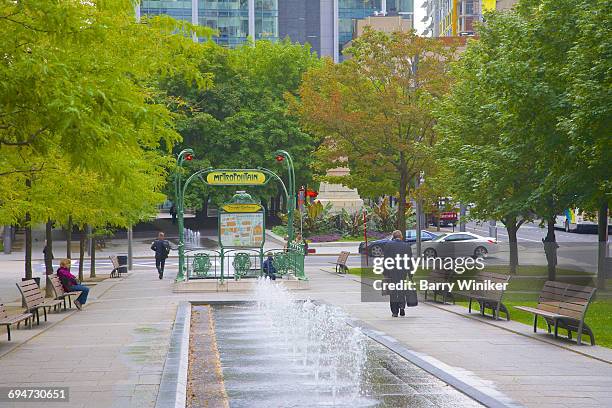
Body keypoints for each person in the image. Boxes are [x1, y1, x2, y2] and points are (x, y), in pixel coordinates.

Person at [382, 230, 413, 317]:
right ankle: (402, 307)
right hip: (402, 272)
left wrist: (385, 272)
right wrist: (410, 274)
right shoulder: (407, 246)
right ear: (401, 236)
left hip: (391, 271)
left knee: (393, 291)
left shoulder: (388, 245)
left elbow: (386, 260)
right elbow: (409, 261)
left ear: (393, 236)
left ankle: (394, 311)